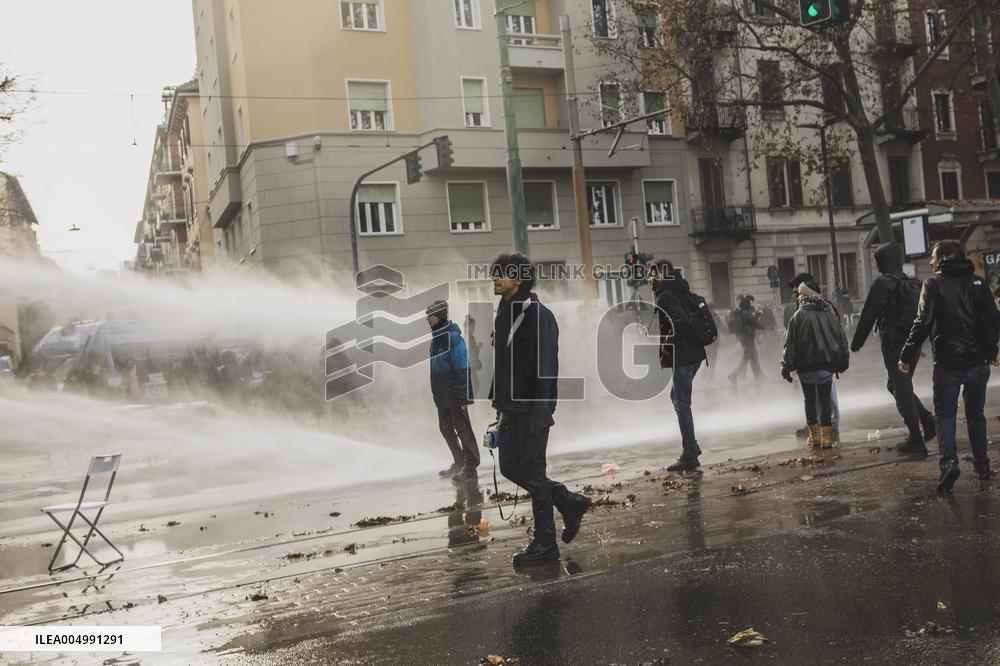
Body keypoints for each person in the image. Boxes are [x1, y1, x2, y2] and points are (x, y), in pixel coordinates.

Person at [490, 252, 590, 566]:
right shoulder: (505, 311)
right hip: (511, 407)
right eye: (494, 273)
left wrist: (542, 411)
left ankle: (546, 545)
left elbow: (546, 366)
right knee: (510, 467)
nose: (494, 278)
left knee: (533, 474)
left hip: (533, 408)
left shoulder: (537, 314)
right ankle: (569, 501)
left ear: (518, 279)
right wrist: (499, 407)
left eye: (501, 274)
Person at [899, 241, 1000, 492]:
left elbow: (923, 322)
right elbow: (994, 318)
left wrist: (906, 355)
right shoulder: (977, 283)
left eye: (933, 257)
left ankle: (949, 463)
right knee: (976, 414)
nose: (931, 262)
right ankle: (982, 466)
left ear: (943, 257)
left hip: (947, 364)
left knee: (945, 415)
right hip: (978, 362)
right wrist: (991, 350)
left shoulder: (933, 284)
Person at [851, 243, 935, 455]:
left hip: (894, 343)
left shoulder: (883, 284)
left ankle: (916, 439)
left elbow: (868, 315)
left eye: (878, 260)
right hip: (913, 344)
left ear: (883, 261)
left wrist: (857, 343)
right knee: (897, 385)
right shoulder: (914, 283)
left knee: (902, 389)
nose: (877, 265)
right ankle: (926, 419)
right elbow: (926, 315)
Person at [649, 259, 708, 471]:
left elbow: (680, 323)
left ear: (659, 274)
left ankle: (690, 453)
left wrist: (668, 345)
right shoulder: (679, 289)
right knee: (676, 397)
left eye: (650, 274)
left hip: (684, 357)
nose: (648, 279)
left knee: (682, 403)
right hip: (694, 355)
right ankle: (692, 445)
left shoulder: (666, 296)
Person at [781, 280, 850, 449]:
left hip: (805, 368)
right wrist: (842, 362)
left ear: (804, 297)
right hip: (826, 366)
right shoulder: (828, 314)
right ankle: (827, 438)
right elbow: (841, 338)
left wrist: (786, 367)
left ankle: (813, 437)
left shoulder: (797, 317)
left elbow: (790, 344)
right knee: (825, 401)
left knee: (809, 400)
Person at [427, 300, 480, 481]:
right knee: (446, 428)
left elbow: (462, 367)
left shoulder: (452, 337)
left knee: (463, 428)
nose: (427, 318)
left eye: (431, 315)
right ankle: (459, 462)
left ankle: (471, 467)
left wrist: (464, 396)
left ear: (439, 316)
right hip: (442, 395)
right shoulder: (436, 338)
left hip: (455, 394)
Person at [728, 294, 764, 383]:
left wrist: (757, 315)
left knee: (752, 356)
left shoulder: (741, 312)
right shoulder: (747, 313)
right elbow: (754, 322)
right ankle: (733, 375)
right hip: (748, 338)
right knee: (747, 357)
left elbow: (750, 320)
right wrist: (761, 326)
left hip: (743, 338)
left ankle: (758, 375)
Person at [464, 315, 484, 398]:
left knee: (474, 386)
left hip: (470, 366)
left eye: (473, 327)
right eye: (471, 327)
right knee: (474, 386)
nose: (473, 329)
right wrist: (477, 347)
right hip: (468, 366)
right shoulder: (467, 337)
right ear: (467, 327)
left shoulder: (470, 337)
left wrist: (477, 347)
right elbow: (470, 351)